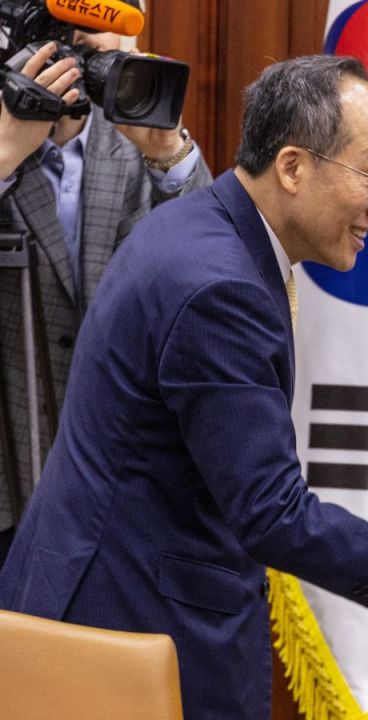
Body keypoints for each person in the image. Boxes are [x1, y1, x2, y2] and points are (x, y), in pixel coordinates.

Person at [0, 54, 368, 719]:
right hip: (129, 629)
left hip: (114, 605)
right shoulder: (220, 287)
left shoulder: (199, 229)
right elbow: (271, 513)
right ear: (292, 167)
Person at [0, 33, 213, 564]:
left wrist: (169, 152)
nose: (75, 52)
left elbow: (212, 274)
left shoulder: (138, 135)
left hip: (116, 487)